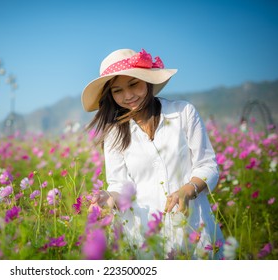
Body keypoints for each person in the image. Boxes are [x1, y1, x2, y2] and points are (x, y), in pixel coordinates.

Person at [81, 48, 224, 259]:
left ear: (147, 81)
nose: (128, 96)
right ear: (110, 96)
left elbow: (208, 165)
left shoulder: (183, 113)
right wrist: (108, 198)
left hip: (193, 226)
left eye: (133, 84)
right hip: (144, 236)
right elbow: (120, 186)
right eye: (117, 90)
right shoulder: (114, 133)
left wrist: (187, 189)